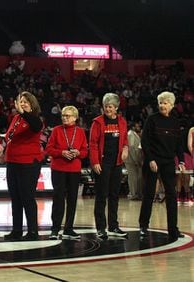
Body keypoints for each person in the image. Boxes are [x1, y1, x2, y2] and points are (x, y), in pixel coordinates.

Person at [139, 91, 186, 241]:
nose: (162, 105)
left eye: (165, 103)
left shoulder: (175, 122)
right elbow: (145, 142)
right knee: (149, 194)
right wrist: (151, 160)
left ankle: (173, 228)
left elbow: (179, 144)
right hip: (153, 161)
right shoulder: (151, 120)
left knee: (171, 195)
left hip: (168, 162)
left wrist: (182, 161)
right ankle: (143, 226)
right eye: (160, 103)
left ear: (171, 105)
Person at [4, 91, 44, 241]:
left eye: (26, 101)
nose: (23, 104)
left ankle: (33, 231)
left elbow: (36, 126)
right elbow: (9, 136)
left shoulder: (35, 119)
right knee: (15, 197)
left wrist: (23, 113)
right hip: (12, 161)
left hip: (28, 163)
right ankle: (17, 229)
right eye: (21, 101)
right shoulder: (16, 118)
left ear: (32, 104)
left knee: (27, 197)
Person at [89, 93, 129, 239]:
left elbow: (125, 140)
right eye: (105, 106)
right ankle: (100, 228)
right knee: (101, 196)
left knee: (114, 196)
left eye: (110, 107)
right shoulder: (97, 122)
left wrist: (125, 149)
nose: (107, 109)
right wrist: (95, 162)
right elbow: (92, 144)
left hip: (117, 163)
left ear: (116, 108)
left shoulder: (122, 122)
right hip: (102, 164)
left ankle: (113, 226)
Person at [46, 106, 88, 240]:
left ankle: (68, 229)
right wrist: (61, 152)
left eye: (68, 115)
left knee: (72, 200)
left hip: (74, 170)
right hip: (58, 169)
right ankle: (55, 229)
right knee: (58, 199)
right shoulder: (57, 130)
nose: (64, 117)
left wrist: (78, 153)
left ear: (75, 118)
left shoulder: (80, 132)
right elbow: (49, 149)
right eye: (63, 115)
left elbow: (85, 152)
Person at [124, 122, 143, 201]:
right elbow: (131, 147)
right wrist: (135, 160)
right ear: (133, 127)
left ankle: (137, 193)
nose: (138, 127)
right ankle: (133, 194)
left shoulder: (133, 134)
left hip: (134, 159)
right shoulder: (130, 134)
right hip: (131, 160)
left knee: (137, 177)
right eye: (137, 125)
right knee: (132, 177)